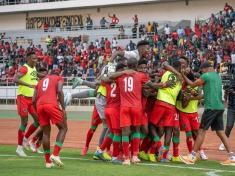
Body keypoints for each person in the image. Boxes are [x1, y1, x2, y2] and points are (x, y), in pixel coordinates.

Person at [180, 61, 235, 165]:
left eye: (202, 70)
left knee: (201, 132)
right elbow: (207, 93)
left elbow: (192, 84)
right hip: (220, 107)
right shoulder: (217, 76)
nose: (201, 72)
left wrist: (183, 74)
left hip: (211, 108)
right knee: (221, 133)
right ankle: (232, 156)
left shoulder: (206, 76)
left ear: (205, 68)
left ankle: (192, 156)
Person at [109, 57, 149, 165]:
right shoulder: (141, 75)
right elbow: (149, 85)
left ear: (127, 65)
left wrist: (123, 71)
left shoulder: (121, 76)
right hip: (137, 107)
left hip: (124, 107)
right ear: (136, 65)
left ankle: (126, 158)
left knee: (125, 133)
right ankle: (135, 156)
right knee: (136, 131)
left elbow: (110, 77)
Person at [33, 68, 68, 168]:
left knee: (45, 133)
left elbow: (34, 99)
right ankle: (56, 154)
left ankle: (48, 162)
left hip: (40, 106)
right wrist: (63, 108)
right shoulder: (58, 78)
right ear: (58, 74)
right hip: (51, 104)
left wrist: (38, 110)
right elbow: (60, 91)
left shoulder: (40, 81)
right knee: (63, 128)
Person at [14, 51, 40, 157]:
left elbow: (36, 77)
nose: (36, 60)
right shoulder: (24, 68)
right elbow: (15, 79)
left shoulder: (33, 68)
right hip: (23, 98)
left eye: (36, 59)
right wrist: (29, 85)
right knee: (24, 122)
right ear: (28, 59)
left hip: (31, 100)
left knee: (38, 121)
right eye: (34, 59)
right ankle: (19, 148)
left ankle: (25, 139)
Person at [219, 77, 235, 151]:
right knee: (229, 126)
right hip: (231, 108)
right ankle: (224, 143)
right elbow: (225, 98)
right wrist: (227, 92)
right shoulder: (232, 82)